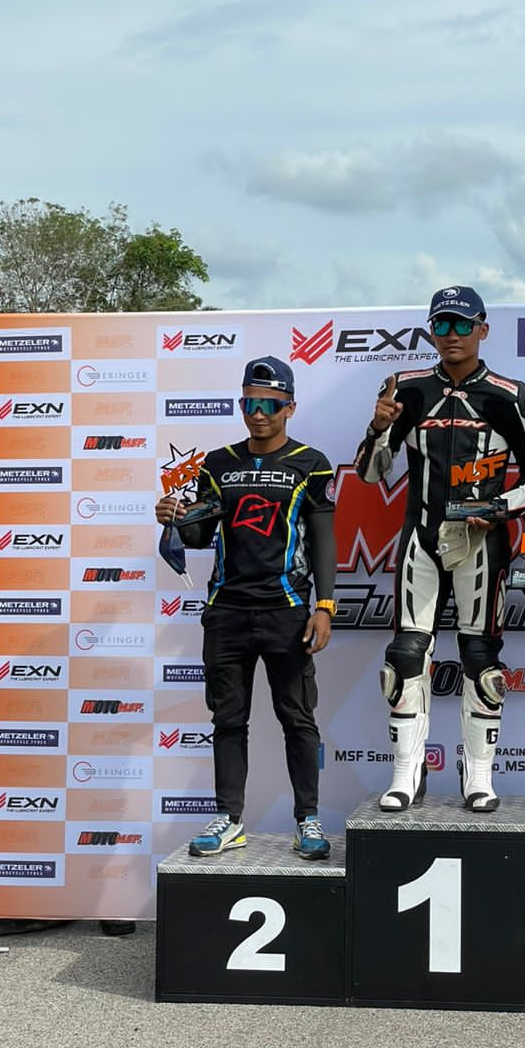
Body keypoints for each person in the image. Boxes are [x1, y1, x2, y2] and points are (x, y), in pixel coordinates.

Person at [354, 285, 525, 813]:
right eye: (441, 324)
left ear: (483, 329)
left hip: (481, 543)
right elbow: (371, 473)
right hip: (420, 538)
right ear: (430, 331)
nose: (451, 335)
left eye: (462, 324)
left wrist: (501, 507)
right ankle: (406, 771)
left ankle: (479, 775)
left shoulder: (513, 397)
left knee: (481, 659)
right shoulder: (406, 388)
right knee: (405, 655)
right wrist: (379, 427)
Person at [155, 356, 337, 860]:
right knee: (228, 720)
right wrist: (174, 516)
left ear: (290, 408)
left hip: (287, 610)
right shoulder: (217, 463)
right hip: (227, 611)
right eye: (249, 403)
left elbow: (324, 538)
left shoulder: (311, 463)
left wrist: (324, 606)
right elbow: (199, 533)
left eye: (269, 405)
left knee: (297, 718)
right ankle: (230, 819)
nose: (258, 413)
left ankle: (308, 819)